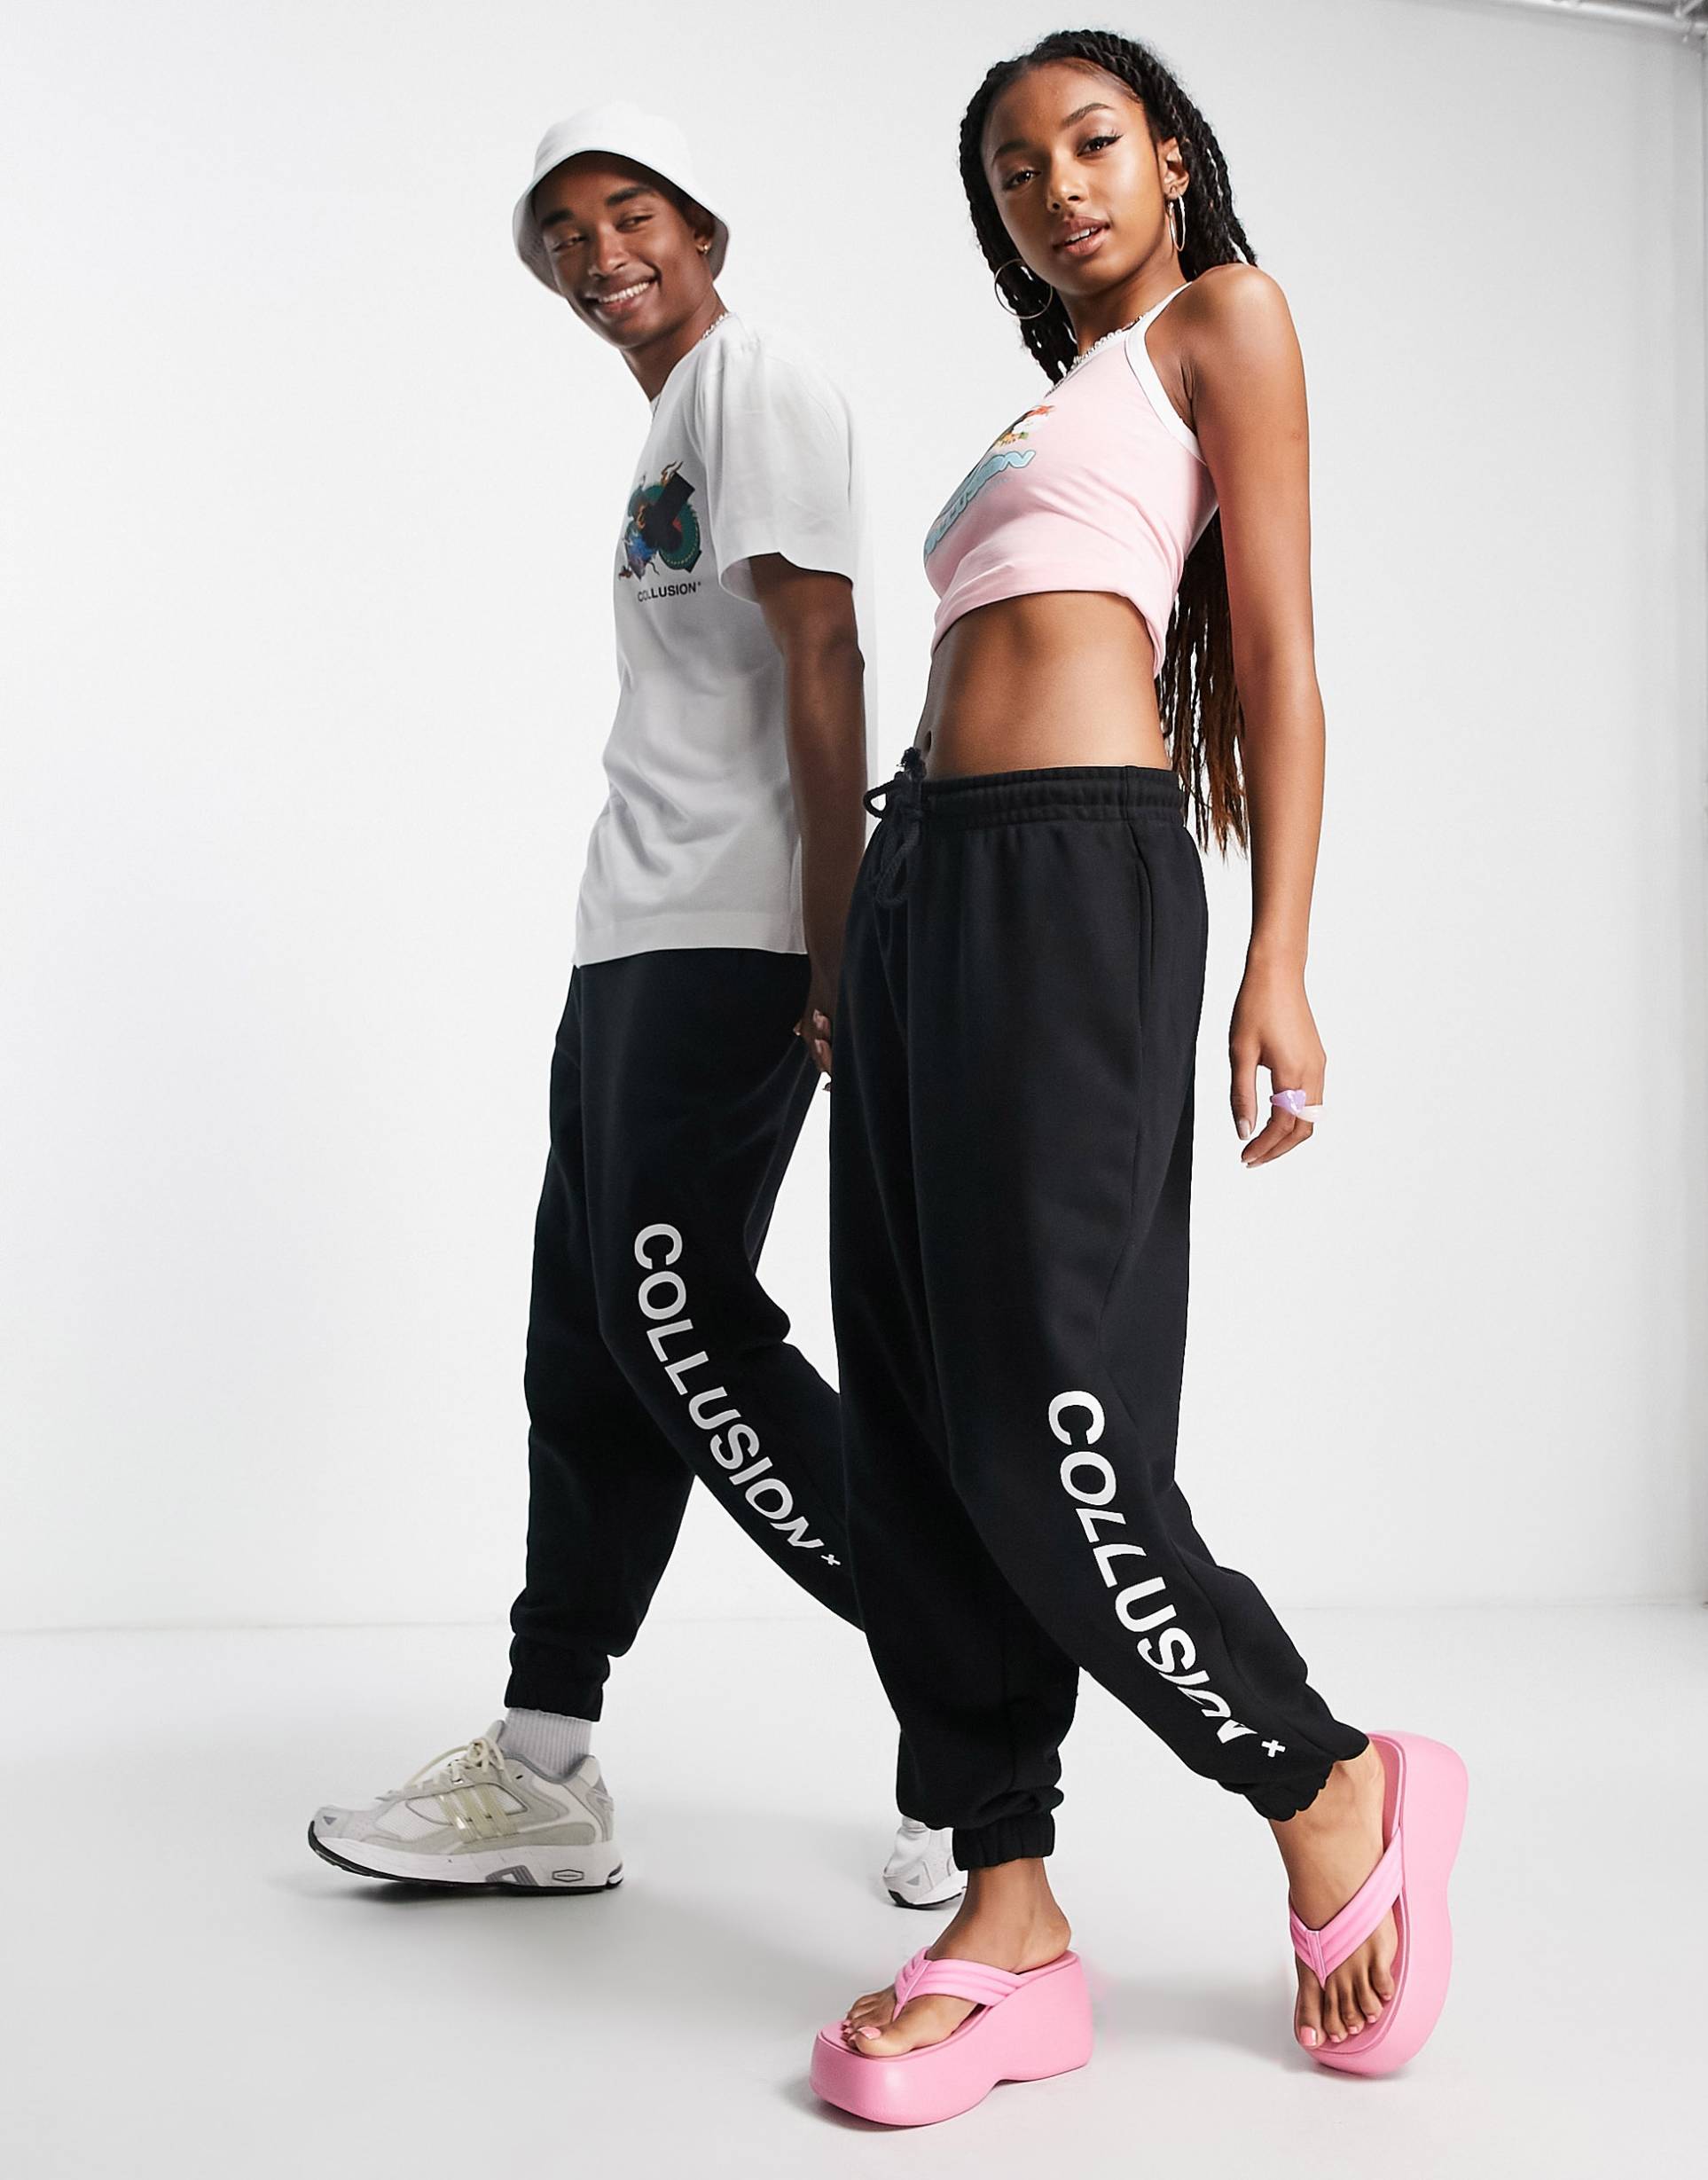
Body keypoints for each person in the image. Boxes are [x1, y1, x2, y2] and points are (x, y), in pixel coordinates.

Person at [806, 32, 1466, 2125]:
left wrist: (1280, 954)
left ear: (1170, 156)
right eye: (1015, 171)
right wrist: (860, 935)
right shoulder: (1050, 397)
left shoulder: (1221, 323)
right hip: (924, 876)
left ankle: (1326, 1778)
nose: (1058, 187)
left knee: (1048, 1422)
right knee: (914, 1424)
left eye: (1090, 142)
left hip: (1076, 871)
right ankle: (1006, 1902)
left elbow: (1274, 654)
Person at [309, 100, 959, 1909]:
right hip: (632, 937)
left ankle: (971, 1690)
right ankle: (542, 1761)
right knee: (587, 1342)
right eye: (564, 236)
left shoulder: (757, 381)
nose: (600, 255)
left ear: (704, 229)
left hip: (739, 931)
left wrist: (832, 937)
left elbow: (825, 645)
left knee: (676, 1321)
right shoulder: (670, 423)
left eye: (631, 213)